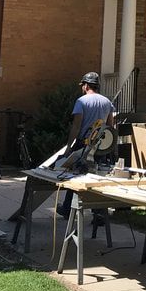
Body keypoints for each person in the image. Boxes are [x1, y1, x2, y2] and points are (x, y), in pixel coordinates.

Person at [56, 72, 115, 218]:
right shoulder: (107, 102)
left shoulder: (81, 101)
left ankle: (67, 209)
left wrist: (69, 147)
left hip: (84, 144)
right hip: (101, 145)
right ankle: (99, 213)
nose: (82, 88)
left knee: (74, 177)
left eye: (83, 85)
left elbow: (76, 126)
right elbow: (110, 127)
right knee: (97, 178)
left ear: (86, 85)